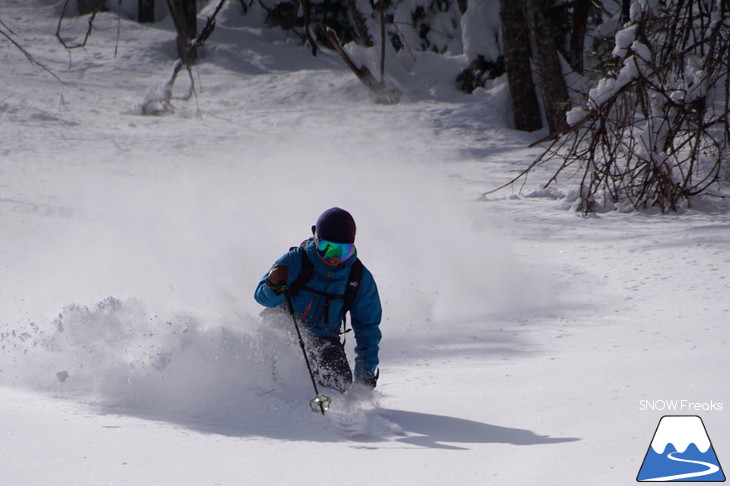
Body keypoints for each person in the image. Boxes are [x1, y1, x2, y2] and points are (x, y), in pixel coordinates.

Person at [254, 207, 382, 393]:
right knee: (281, 363)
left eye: (343, 251)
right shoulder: (295, 260)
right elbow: (261, 298)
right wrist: (274, 286)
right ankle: (269, 399)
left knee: (338, 381)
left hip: (323, 337)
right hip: (282, 327)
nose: (334, 257)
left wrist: (365, 376)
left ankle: (320, 410)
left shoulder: (358, 277)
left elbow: (367, 327)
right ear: (315, 238)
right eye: (326, 248)